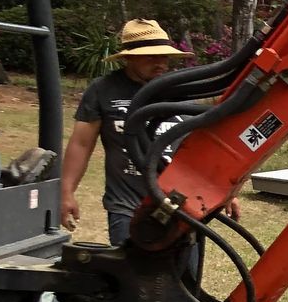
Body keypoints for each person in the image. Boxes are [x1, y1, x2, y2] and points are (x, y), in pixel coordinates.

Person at [61, 18, 222, 246]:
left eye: (163, 56)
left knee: (185, 281)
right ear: (128, 57)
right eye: (150, 57)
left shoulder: (183, 90)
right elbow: (81, 143)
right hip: (127, 207)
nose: (160, 63)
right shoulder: (104, 89)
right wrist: (66, 192)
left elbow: (205, 143)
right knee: (133, 279)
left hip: (183, 206)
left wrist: (225, 193)